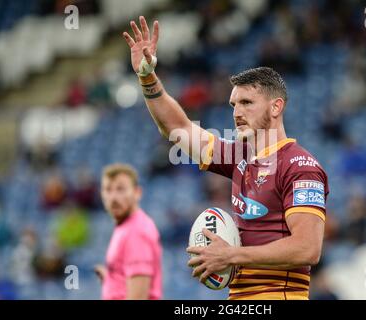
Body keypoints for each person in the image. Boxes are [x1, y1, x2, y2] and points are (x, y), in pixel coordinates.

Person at [122, 17, 328, 300]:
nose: (236, 112)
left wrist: (231, 255)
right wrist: (147, 76)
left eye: (246, 103)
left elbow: (307, 248)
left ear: (276, 106)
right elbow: (178, 128)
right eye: (233, 104)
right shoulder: (239, 156)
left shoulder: (300, 166)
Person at [95, 163, 162, 300]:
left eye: (121, 189)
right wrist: (110, 279)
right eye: (108, 190)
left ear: (137, 193)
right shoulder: (125, 226)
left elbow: (138, 297)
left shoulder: (136, 231)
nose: (113, 198)